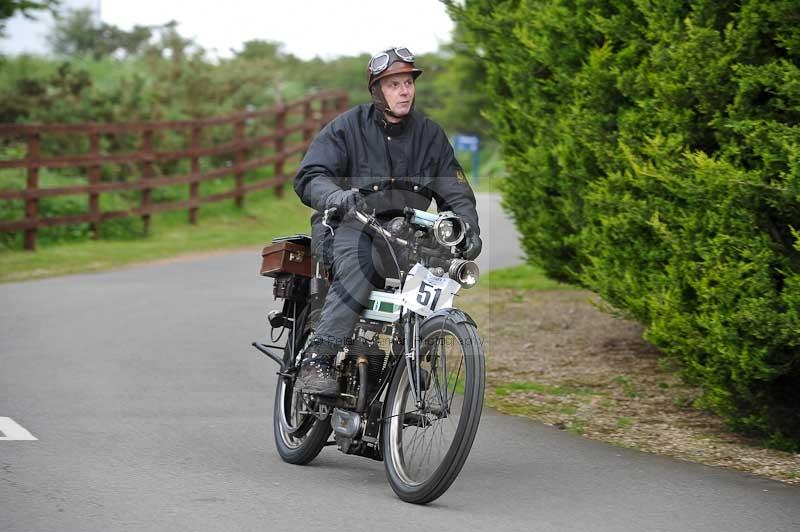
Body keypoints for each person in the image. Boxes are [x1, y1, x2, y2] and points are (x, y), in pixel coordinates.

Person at [292, 46, 482, 395]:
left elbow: (456, 193)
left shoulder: (430, 135)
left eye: (408, 82)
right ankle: (319, 355)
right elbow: (310, 176)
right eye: (394, 84)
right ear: (377, 90)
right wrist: (337, 197)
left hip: (408, 234)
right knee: (361, 265)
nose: (404, 90)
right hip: (351, 226)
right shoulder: (348, 127)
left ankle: (403, 362)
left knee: (435, 275)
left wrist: (466, 228)